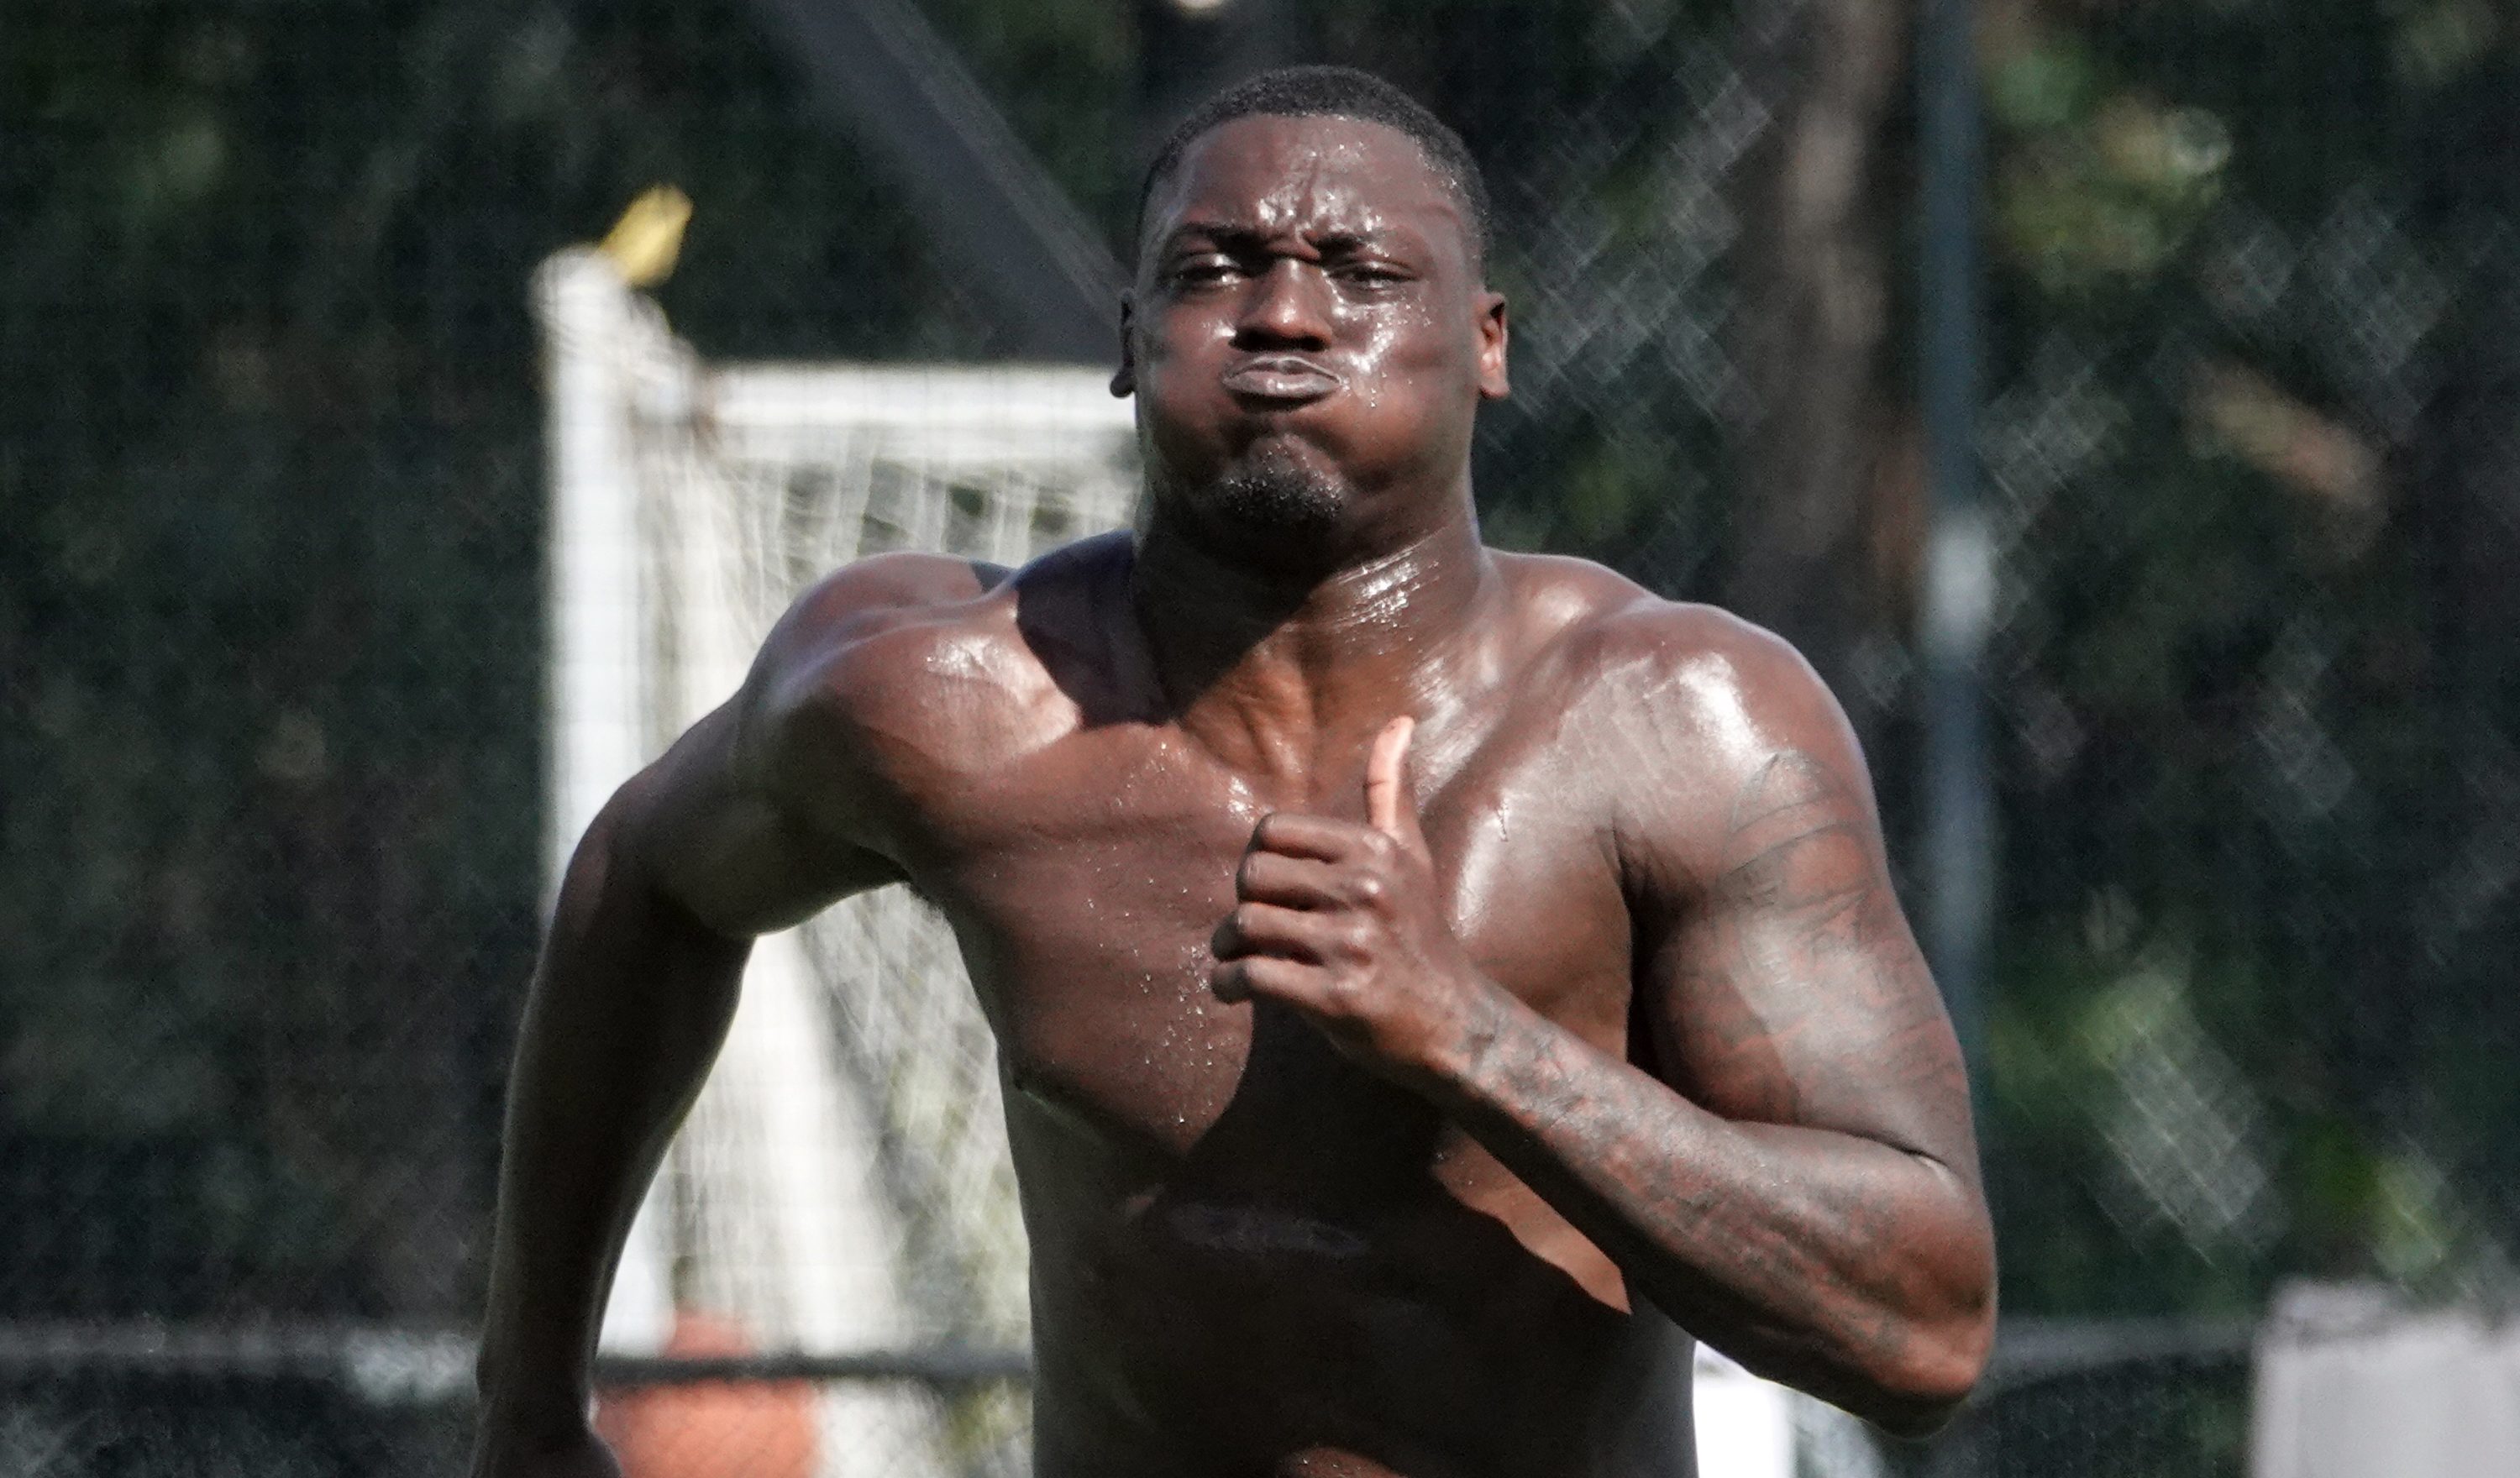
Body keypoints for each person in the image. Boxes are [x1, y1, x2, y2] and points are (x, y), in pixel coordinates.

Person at [470, 65, 1996, 1478]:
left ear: (1487, 343)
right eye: (1214, 271)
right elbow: (643, 880)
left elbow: (1923, 1327)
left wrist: (1471, 1038)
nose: (1284, 314)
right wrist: (531, 1406)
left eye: (1364, 274)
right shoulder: (947, 701)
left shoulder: (1676, 724)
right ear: (1131, 344)